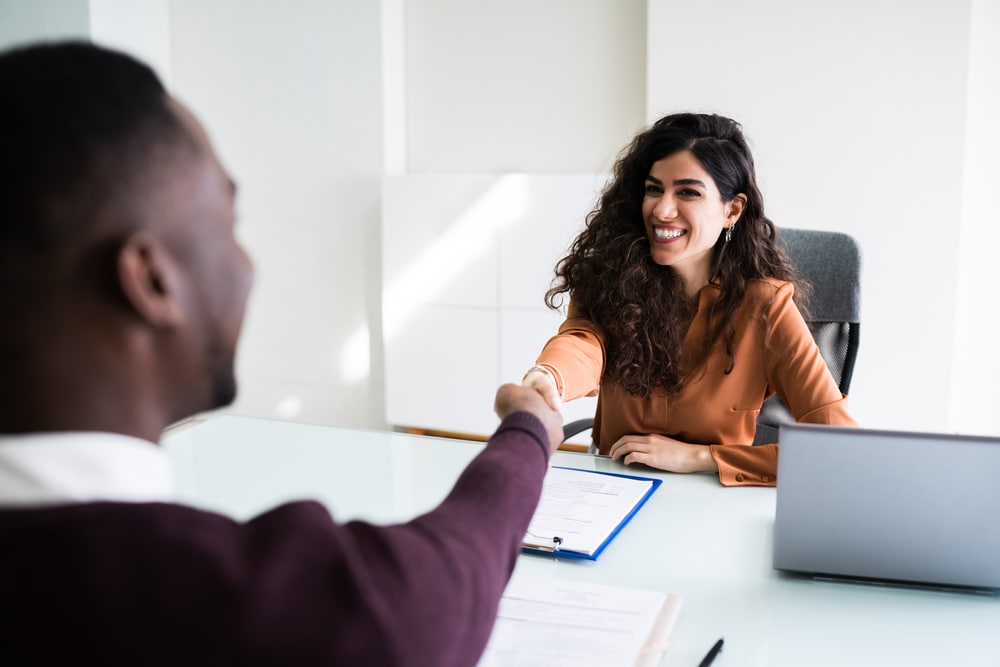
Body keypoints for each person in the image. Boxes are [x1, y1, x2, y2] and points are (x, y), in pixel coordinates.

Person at [0, 41, 564, 666]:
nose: (247, 267)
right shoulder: (202, 601)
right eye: (228, 227)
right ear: (153, 281)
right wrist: (529, 430)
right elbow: (428, 600)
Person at [522, 112, 857, 487]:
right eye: (653, 189)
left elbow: (839, 448)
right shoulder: (609, 279)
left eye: (688, 192)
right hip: (611, 490)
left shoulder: (766, 307)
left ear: (732, 210)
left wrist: (702, 457)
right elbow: (583, 344)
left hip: (711, 501)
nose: (662, 210)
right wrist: (548, 377)